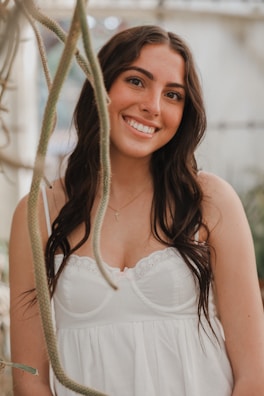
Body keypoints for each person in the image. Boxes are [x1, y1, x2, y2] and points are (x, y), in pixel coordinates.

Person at [9, 24, 264, 396]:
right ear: (100, 86)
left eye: (173, 94)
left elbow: (254, 374)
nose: (153, 106)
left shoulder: (209, 201)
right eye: (137, 81)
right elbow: (29, 377)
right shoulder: (39, 213)